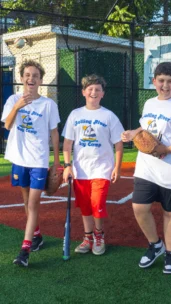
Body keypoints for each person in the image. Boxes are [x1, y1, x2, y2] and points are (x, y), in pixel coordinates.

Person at [121, 62, 171, 274]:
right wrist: (133, 133)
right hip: (146, 167)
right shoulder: (149, 103)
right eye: (161, 81)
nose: (165, 85)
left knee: (170, 213)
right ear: (154, 81)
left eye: (170, 81)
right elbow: (146, 127)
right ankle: (155, 244)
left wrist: (168, 149)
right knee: (139, 207)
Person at [1, 59, 61, 267]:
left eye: (35, 76)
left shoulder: (48, 104)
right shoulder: (12, 99)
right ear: (21, 78)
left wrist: (56, 161)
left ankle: (25, 250)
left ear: (41, 80)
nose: (31, 79)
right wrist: (18, 106)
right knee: (26, 201)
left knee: (34, 203)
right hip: (19, 159)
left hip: (39, 159)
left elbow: (54, 132)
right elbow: (7, 126)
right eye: (27, 75)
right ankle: (36, 235)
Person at [62, 74, 124, 256]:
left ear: (103, 93)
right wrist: (67, 165)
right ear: (83, 92)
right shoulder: (75, 115)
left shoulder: (109, 116)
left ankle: (99, 235)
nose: (94, 92)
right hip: (81, 170)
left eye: (97, 89)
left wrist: (117, 167)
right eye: (90, 89)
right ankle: (87, 237)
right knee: (85, 206)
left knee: (97, 203)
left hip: (101, 169)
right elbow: (67, 144)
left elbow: (118, 143)